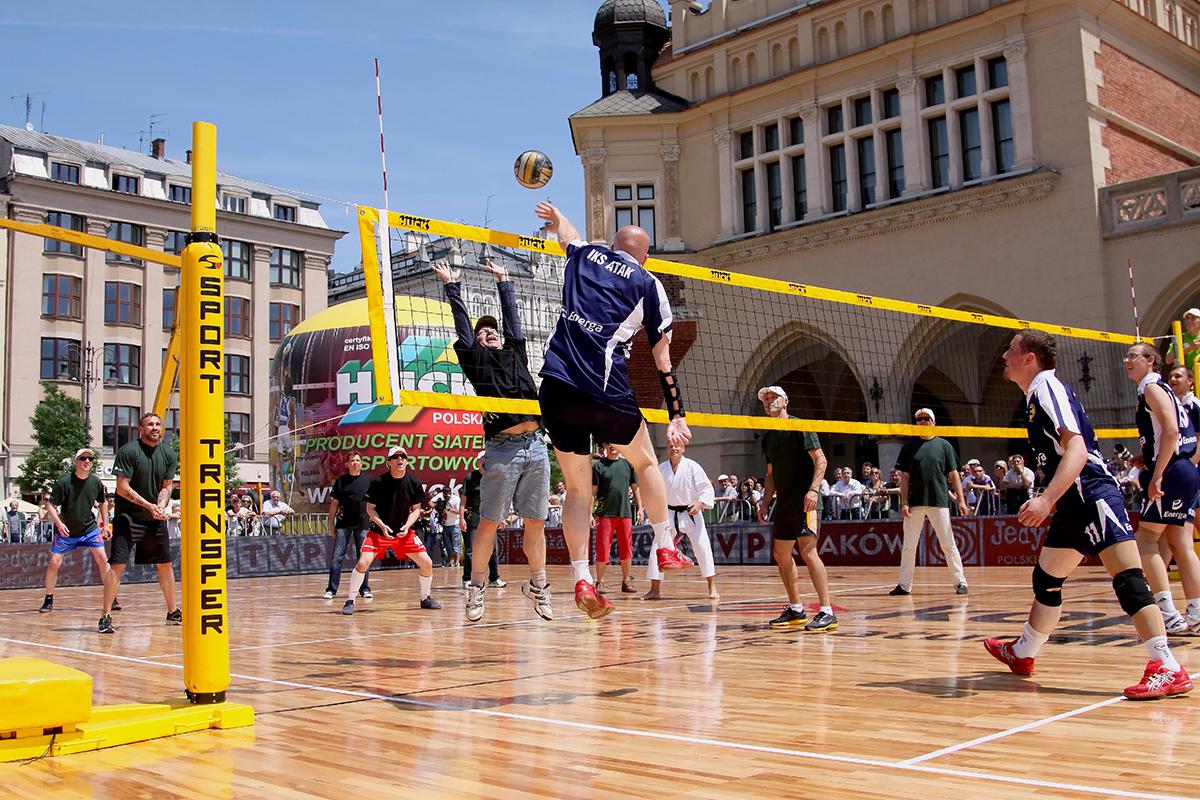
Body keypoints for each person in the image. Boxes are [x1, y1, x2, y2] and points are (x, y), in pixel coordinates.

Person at [983, 330, 1190, 699]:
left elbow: (1076, 449)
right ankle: (1023, 652)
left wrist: (1045, 500)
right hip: (1074, 502)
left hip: (1091, 493)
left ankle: (1167, 666)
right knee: (1047, 577)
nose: (1004, 357)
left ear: (1029, 358)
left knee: (1128, 580)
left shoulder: (1048, 388)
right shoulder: (1036, 395)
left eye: (1011, 350)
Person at [533, 201, 692, 620]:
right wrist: (677, 413)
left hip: (556, 386)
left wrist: (554, 215)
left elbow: (565, 230)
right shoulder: (647, 282)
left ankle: (582, 577)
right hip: (604, 389)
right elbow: (662, 359)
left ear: (611, 244)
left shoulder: (585, 253)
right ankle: (664, 543)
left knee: (578, 490)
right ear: (646, 255)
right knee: (646, 463)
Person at [434, 256, 552, 623]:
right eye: (484, 333)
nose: (490, 333)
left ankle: (540, 586)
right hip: (502, 448)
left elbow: (513, 320)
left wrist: (504, 281)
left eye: (492, 330)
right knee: (488, 523)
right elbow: (466, 332)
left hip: (536, 446)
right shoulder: (476, 361)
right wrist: (453, 287)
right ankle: (477, 588)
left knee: (535, 523)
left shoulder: (515, 351)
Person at [1125, 344, 1200, 635]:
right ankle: (1195, 611)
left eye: (1134, 356)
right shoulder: (1162, 389)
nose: (1127, 360)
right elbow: (1169, 433)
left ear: (1151, 360)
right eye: (1127, 356)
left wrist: (1157, 474)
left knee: (1146, 538)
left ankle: (1167, 613)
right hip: (1181, 469)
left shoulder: (1152, 388)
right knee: (1180, 541)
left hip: (1172, 471)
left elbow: (1171, 431)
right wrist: (1149, 456)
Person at [756, 385, 837, 631]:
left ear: (786, 401)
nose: (768, 401)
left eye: (773, 397)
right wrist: (765, 501)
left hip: (806, 502)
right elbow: (770, 475)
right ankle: (796, 608)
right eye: (765, 399)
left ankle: (827, 611)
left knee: (808, 551)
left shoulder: (800, 426)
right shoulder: (769, 436)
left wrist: (814, 490)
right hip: (784, 504)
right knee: (781, 554)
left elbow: (821, 459)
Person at [342, 446, 440, 614]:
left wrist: (407, 526)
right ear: (389, 462)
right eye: (395, 457)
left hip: (404, 533)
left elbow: (417, 509)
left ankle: (425, 598)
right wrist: (382, 525)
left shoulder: (414, 483)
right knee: (363, 562)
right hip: (379, 532)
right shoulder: (378, 482)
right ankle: (350, 600)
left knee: (427, 563)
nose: (400, 459)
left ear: (407, 461)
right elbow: (370, 509)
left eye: (403, 457)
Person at [106, 412, 181, 626]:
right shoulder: (128, 451)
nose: (155, 428)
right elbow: (122, 488)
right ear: (141, 428)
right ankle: (105, 616)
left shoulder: (167, 453)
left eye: (158, 424)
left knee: (165, 565)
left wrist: (160, 505)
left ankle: (172, 611)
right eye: (150, 424)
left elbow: (167, 486)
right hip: (128, 518)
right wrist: (149, 506)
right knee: (117, 566)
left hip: (154, 519)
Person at [891, 408, 969, 596]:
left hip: (939, 500)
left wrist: (961, 500)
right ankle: (904, 585)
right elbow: (905, 477)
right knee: (909, 545)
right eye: (919, 419)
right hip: (914, 503)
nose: (923, 422)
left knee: (948, 544)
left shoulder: (944, 445)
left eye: (926, 419)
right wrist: (904, 503)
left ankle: (960, 582)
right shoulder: (909, 447)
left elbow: (953, 475)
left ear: (933, 422)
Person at [39, 448, 115, 632]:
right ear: (76, 461)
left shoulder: (96, 482)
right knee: (54, 562)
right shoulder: (64, 482)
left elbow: (103, 502)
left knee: (103, 560)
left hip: (89, 529)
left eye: (89, 459)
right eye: (83, 458)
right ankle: (49, 598)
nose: (87, 461)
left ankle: (111, 595)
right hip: (67, 530)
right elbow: (50, 504)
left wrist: (105, 524)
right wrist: (58, 523)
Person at [643, 441, 719, 601]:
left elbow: (706, 488)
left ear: (683, 448)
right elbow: (654, 490)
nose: (674, 449)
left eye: (677, 446)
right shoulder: (661, 468)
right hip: (668, 513)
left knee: (702, 547)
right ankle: (654, 590)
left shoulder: (693, 467)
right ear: (667, 449)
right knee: (657, 549)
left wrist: (700, 504)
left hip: (690, 511)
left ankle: (712, 587)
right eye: (670, 446)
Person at [592, 443, 643, 594]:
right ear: (604, 446)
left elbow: (636, 488)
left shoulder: (628, 465)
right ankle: (599, 582)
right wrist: (590, 512)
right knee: (602, 550)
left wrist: (640, 508)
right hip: (604, 514)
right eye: (609, 443)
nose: (612, 446)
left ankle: (626, 582)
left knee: (626, 550)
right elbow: (592, 493)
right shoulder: (598, 466)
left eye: (615, 443)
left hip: (624, 513)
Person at [323, 453, 372, 601]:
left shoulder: (368, 481)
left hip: (362, 525)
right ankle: (331, 589)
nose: (355, 463)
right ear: (347, 464)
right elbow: (334, 505)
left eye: (358, 460)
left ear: (361, 463)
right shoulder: (341, 481)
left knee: (363, 558)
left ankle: (364, 589)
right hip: (343, 525)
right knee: (336, 558)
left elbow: (374, 504)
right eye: (352, 461)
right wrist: (331, 524)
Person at [460, 470, 504, 590]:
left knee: (493, 549)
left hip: (490, 516)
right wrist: (461, 518)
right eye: (482, 460)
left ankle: (494, 578)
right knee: (470, 549)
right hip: (473, 515)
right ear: (478, 462)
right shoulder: (470, 477)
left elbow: (497, 500)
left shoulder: (493, 477)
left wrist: (501, 517)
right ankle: (467, 578)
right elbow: (463, 499)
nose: (484, 462)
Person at [1165, 307, 1200, 375]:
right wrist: (1190, 348)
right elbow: (1168, 360)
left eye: (1193, 318)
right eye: (1187, 318)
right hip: (1187, 376)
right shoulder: (1180, 338)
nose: (1189, 321)